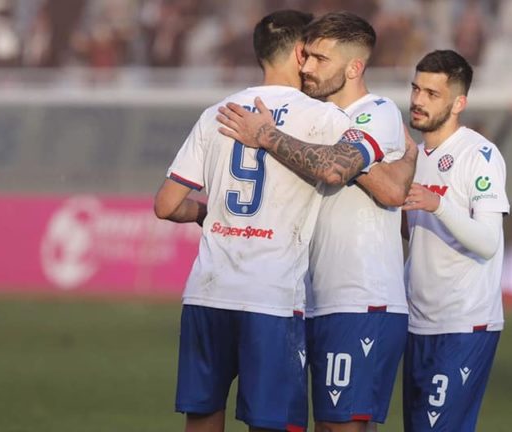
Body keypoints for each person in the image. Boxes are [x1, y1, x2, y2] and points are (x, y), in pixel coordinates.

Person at [153, 10, 359, 432]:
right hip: (271, 296)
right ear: (301, 53)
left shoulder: (218, 113)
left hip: (208, 292)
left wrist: (209, 214)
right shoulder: (324, 118)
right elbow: (349, 170)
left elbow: (167, 204)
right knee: (273, 422)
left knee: (202, 417)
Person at [217, 12, 416, 432]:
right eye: (306, 56)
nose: (306, 67)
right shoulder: (314, 116)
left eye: (320, 59)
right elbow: (382, 186)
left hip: (360, 298)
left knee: (339, 426)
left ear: (354, 68)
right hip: (309, 299)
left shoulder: (375, 111)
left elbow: (333, 168)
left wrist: (266, 136)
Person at [401, 50, 510, 432]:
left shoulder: (479, 155)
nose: (418, 100)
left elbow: (488, 241)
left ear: (459, 103)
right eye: (416, 89)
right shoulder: (413, 156)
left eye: (432, 94)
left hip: (464, 323)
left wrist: (438, 205)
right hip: (418, 321)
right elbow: (413, 233)